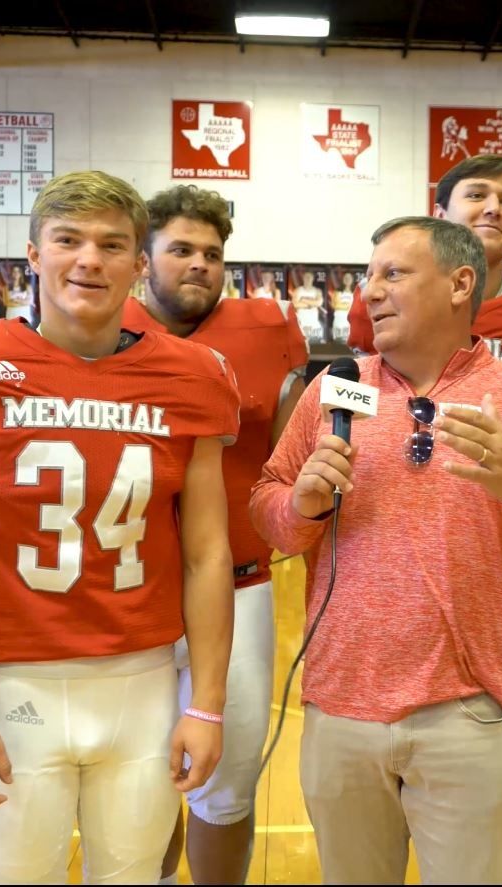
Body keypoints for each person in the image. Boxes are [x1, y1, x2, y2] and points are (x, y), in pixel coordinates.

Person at [0, 170, 241, 884]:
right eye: (68, 240)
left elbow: (208, 554)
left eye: (112, 245)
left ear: (138, 263)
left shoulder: (194, 375)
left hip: (144, 680)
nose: (89, 259)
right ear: (32, 254)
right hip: (21, 682)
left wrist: (206, 705)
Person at [250, 216, 502, 884]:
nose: (371, 292)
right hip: (339, 709)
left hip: (466, 710)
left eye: (393, 274)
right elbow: (271, 514)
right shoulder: (335, 388)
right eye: (368, 276)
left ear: (460, 284)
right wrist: (299, 505)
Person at [345, 153, 502, 857]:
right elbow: (368, 391)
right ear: (442, 215)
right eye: (477, 195)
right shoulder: (385, 297)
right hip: (401, 522)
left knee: (495, 739)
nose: (494, 209)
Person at [124, 183, 308, 885]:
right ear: (144, 259)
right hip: (127, 591)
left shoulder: (266, 331)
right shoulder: (99, 327)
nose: (199, 263)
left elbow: (290, 460)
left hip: (238, 586)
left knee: (226, 789)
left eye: (212, 252)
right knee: (138, 783)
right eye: (181, 250)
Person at [291, 268, 326, 344]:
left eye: (310, 277)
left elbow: (319, 303)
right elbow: (294, 304)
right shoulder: (298, 290)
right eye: (306, 277)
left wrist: (303, 300)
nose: (308, 279)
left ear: (313, 278)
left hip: (314, 323)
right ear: (303, 278)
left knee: (317, 344)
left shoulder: (317, 291)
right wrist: (311, 304)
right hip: (301, 322)